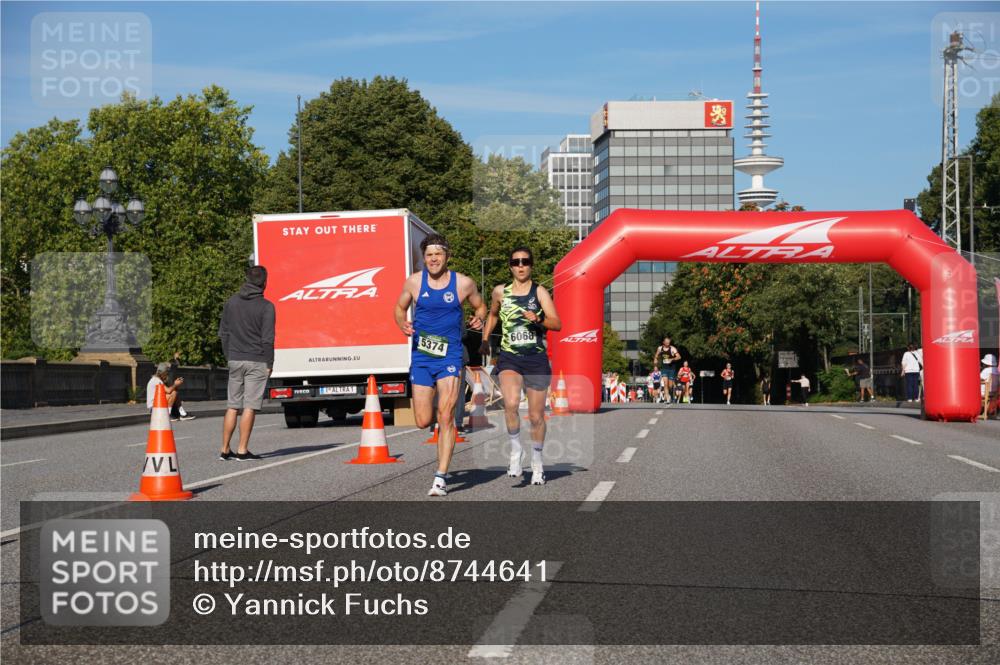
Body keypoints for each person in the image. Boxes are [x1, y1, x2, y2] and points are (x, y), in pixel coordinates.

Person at [396, 234, 486, 497]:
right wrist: (401, 323)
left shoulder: (464, 283)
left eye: (438, 254)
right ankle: (437, 410)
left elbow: (480, 307)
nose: (433, 259)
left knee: (446, 416)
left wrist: (478, 319)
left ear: (447, 256)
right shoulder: (414, 282)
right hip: (422, 358)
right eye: (429, 255)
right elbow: (399, 308)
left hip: (450, 357)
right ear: (424, 258)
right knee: (423, 421)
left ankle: (440, 477)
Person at [481, 247, 560, 486]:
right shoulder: (499, 292)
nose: (521, 266)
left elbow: (557, 323)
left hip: (535, 358)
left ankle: (537, 461)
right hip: (510, 358)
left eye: (525, 261)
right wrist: (485, 340)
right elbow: (493, 315)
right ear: (510, 266)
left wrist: (539, 319)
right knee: (512, 404)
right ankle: (516, 452)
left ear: (531, 265)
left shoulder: (540, 292)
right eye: (516, 262)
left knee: (536, 416)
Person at [218, 265, 275, 461]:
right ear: (264, 283)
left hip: (235, 358)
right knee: (249, 406)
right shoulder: (267, 307)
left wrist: (229, 355)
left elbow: (223, 333)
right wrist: (270, 362)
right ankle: (242, 450)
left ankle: (225, 450)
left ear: (246, 280)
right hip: (257, 360)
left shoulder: (231, 302)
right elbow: (267, 339)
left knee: (232, 406)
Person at [653, 337, 681, 403]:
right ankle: (667, 397)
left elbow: (679, 357)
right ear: (664, 342)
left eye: (669, 342)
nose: (668, 343)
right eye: (667, 342)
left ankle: (670, 394)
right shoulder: (660, 348)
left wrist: (672, 359)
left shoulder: (672, 349)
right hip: (664, 368)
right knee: (665, 383)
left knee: (670, 385)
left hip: (671, 369)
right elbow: (656, 355)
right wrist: (655, 359)